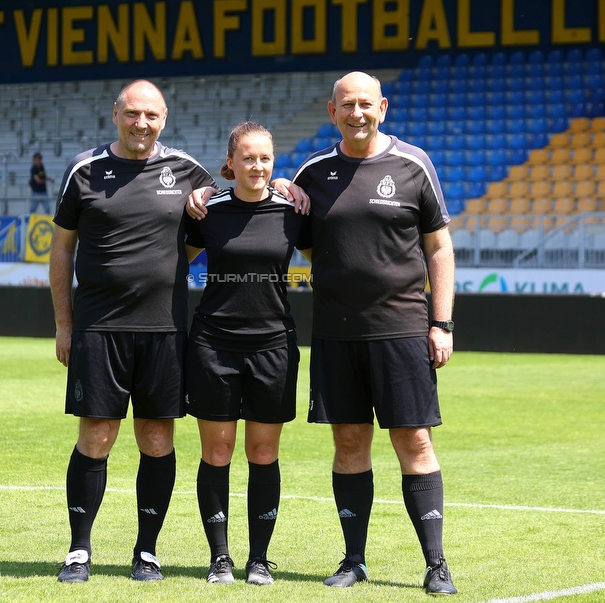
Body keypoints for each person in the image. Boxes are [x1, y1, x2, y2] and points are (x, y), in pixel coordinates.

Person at [291, 71, 457, 595]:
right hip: (337, 333)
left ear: (382, 107)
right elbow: (305, 241)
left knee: (413, 439)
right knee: (348, 441)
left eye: (366, 104)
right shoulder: (314, 173)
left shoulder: (413, 164)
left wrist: (441, 323)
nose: (357, 112)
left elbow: (439, 248)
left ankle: (436, 564)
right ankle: (354, 559)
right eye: (347, 105)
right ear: (332, 111)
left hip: (403, 329)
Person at [49, 79, 217, 584]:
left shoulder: (187, 171)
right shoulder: (84, 170)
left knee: (157, 438)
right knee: (96, 436)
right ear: (115, 114)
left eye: (151, 115)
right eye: (133, 114)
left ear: (164, 118)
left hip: (165, 329)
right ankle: (79, 550)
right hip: (98, 328)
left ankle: (147, 551)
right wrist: (63, 323)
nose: (141, 123)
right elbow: (61, 250)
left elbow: (238, 188)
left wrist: (283, 186)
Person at [183, 122, 311, 586]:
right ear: (231, 162)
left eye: (266, 159)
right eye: (249, 158)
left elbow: (329, 256)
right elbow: (174, 257)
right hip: (214, 345)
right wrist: (190, 198)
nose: (258, 166)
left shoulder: (292, 209)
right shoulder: (207, 210)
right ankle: (220, 559)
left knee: (263, 452)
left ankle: (259, 559)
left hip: (273, 346)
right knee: (217, 451)